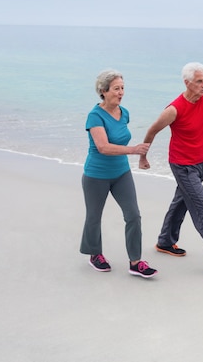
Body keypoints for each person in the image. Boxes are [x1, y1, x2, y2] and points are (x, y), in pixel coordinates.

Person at [139, 62, 203, 275]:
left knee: (182, 202)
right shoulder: (174, 109)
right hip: (183, 166)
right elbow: (152, 130)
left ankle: (165, 241)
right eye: (199, 81)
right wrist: (143, 157)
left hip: (202, 162)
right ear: (187, 83)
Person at [80, 69, 158, 279]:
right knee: (94, 218)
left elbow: (121, 139)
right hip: (96, 174)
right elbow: (104, 147)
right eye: (116, 88)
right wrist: (133, 150)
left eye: (122, 88)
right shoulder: (94, 116)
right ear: (103, 91)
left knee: (133, 215)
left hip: (121, 173)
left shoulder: (124, 113)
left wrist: (141, 157)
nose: (121, 92)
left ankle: (135, 262)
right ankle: (95, 254)